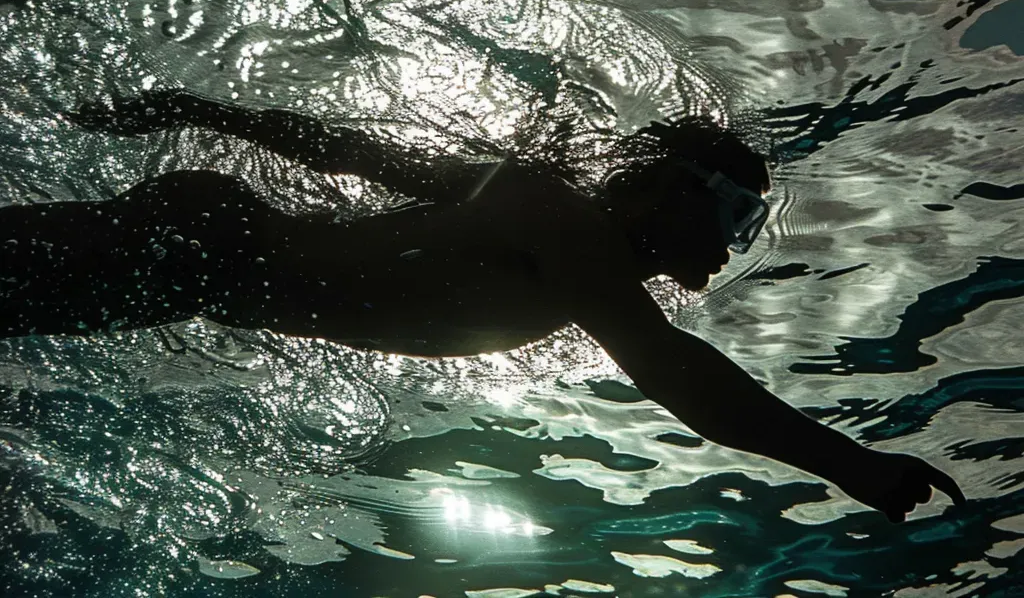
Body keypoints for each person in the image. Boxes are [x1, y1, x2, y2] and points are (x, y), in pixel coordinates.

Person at [0, 90, 964, 522]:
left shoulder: (562, 254)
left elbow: (346, 154)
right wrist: (849, 462)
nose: (725, 246)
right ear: (669, 189)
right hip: (186, 251)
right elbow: (681, 377)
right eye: (728, 214)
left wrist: (200, 113)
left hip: (188, 261)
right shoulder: (563, 221)